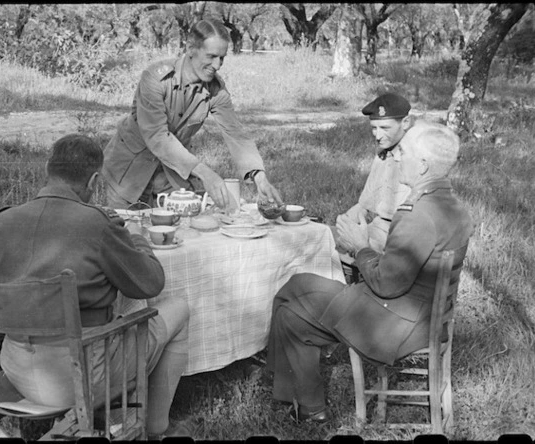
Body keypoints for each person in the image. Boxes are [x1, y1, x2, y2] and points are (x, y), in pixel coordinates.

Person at [0, 134, 191, 438]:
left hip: (16, 368)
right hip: (82, 376)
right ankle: (157, 425)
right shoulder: (99, 225)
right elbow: (150, 284)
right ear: (93, 180)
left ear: (48, 170)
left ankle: (118, 413)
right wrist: (136, 237)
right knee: (178, 308)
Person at [266, 122, 473, 423]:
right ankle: (301, 403)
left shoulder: (418, 215)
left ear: (424, 165)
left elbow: (385, 284)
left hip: (392, 326)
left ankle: (300, 402)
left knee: (291, 310)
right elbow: (401, 272)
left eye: (404, 152)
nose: (398, 157)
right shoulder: (453, 207)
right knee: (296, 287)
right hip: (418, 315)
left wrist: (359, 246)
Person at [102, 18, 282, 212]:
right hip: (127, 175)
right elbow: (157, 137)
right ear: (190, 48)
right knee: (125, 234)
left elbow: (236, 134)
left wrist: (260, 178)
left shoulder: (216, 90)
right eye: (212, 56)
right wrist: (206, 174)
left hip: (170, 176)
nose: (218, 65)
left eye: (222, 58)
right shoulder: (155, 78)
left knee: (179, 234)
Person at [336, 93, 414, 253]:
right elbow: (365, 204)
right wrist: (344, 222)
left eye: (385, 128)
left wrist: (359, 242)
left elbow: (415, 225)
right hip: (378, 228)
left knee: (342, 250)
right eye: (374, 128)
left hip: (402, 238)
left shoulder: (416, 158)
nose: (378, 136)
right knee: (325, 240)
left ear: (405, 122)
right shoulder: (384, 154)